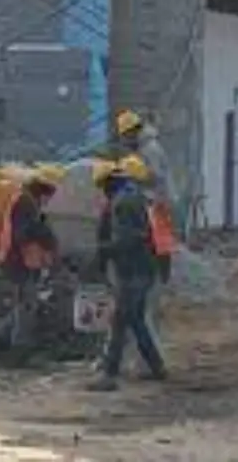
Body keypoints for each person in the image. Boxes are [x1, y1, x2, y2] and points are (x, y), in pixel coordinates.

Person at [87, 156, 166, 391]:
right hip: (143, 268)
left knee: (121, 320)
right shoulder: (134, 197)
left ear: (109, 182)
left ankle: (109, 375)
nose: (102, 192)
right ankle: (157, 366)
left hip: (133, 270)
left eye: (102, 186)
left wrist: (102, 251)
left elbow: (128, 239)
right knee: (135, 320)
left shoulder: (123, 202)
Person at [0, 164, 63, 355]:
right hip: (19, 261)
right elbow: (25, 233)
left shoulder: (26, 200)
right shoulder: (26, 203)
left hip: (16, 259)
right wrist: (47, 238)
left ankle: (1, 342)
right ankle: (19, 349)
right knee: (27, 305)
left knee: (24, 303)